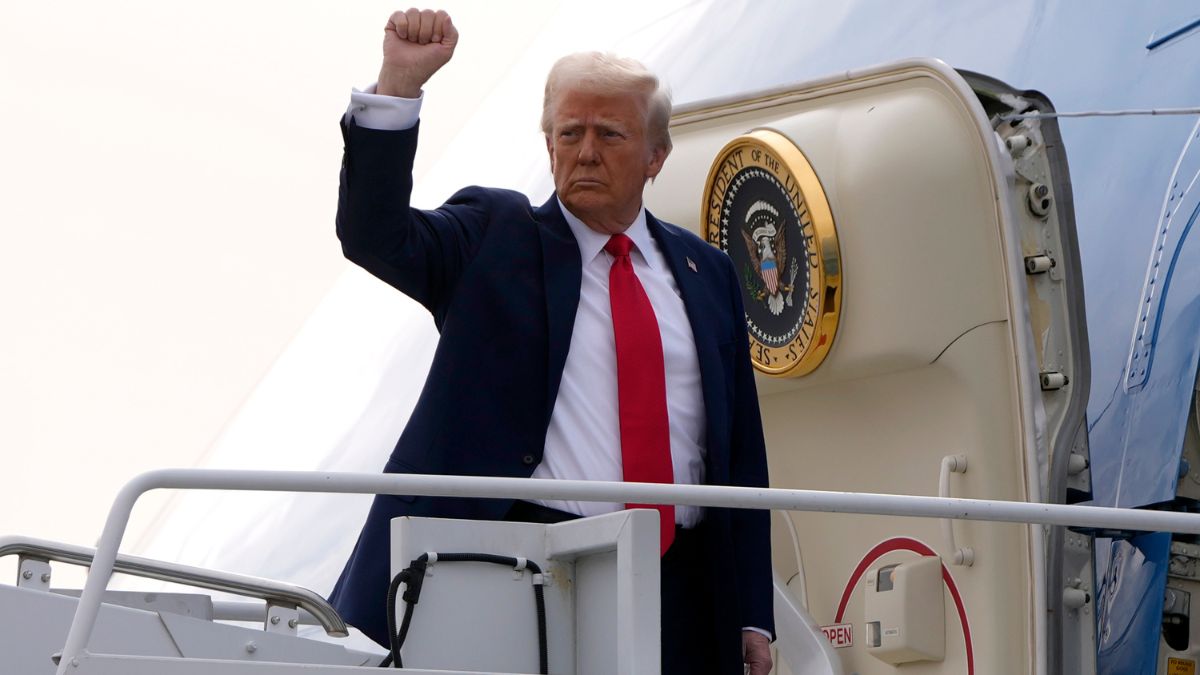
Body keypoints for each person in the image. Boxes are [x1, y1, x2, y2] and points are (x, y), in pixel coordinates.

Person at [329, 8, 774, 673]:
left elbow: (738, 452)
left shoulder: (705, 271)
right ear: (549, 146)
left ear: (656, 156)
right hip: (521, 565)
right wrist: (399, 83)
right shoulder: (495, 235)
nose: (585, 150)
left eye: (610, 134)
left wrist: (751, 610)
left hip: (681, 583)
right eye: (569, 132)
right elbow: (374, 234)